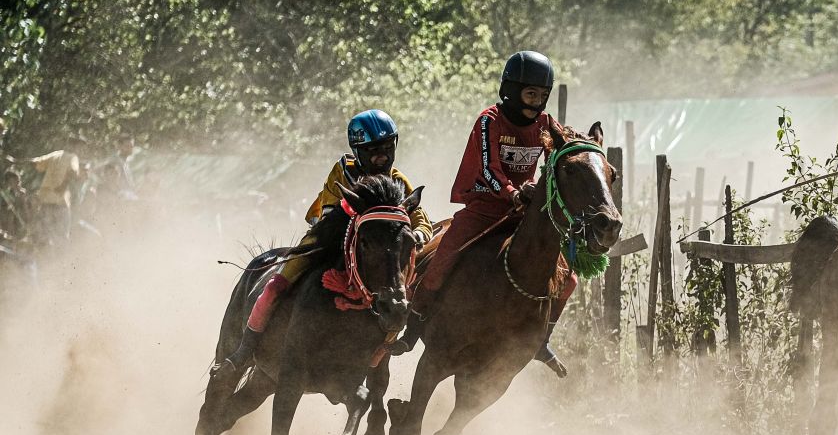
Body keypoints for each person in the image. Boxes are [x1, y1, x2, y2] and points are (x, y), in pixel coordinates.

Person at [392, 50, 576, 377]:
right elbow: (488, 170)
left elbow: (563, 154)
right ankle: (414, 329)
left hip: (525, 211)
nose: (536, 101)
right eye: (530, 93)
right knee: (442, 259)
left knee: (569, 279)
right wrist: (514, 192)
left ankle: (541, 340)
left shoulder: (547, 124)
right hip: (484, 206)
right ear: (511, 89)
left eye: (542, 95)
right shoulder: (490, 120)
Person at [212, 110, 432, 377]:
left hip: (374, 254)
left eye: (387, 147)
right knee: (276, 285)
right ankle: (244, 350)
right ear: (358, 150)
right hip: (327, 243)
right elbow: (330, 219)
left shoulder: (399, 180)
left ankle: (377, 359)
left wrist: (419, 235)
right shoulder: (342, 171)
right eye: (373, 150)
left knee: (401, 297)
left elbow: (420, 218)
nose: (382, 156)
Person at [28, 135, 88, 246]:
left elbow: (35, 162)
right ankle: (60, 260)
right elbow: (72, 172)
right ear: (75, 146)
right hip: (60, 203)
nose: (81, 150)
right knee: (62, 236)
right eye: (81, 147)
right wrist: (63, 186)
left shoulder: (56, 154)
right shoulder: (73, 157)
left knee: (44, 234)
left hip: (45, 201)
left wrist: (14, 161)